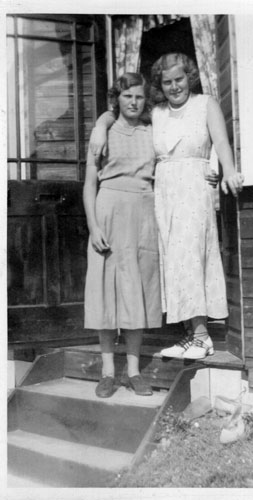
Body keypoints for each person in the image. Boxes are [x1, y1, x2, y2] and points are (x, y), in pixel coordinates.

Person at [90, 53, 244, 361]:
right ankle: (192, 334)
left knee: (191, 255)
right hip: (162, 191)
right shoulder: (156, 112)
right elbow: (119, 113)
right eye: (167, 82)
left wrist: (226, 168)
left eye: (180, 79)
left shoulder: (206, 104)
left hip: (192, 187)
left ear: (190, 77)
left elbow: (222, 143)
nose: (175, 87)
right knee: (173, 261)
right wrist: (100, 124)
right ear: (160, 86)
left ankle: (202, 336)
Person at [83, 72, 162, 398]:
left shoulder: (152, 132)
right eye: (127, 96)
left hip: (143, 214)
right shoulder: (103, 132)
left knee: (136, 291)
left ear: (145, 100)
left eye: (139, 97)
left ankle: (133, 372)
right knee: (106, 291)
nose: (133, 102)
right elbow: (90, 184)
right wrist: (93, 225)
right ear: (117, 98)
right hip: (108, 213)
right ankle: (107, 372)